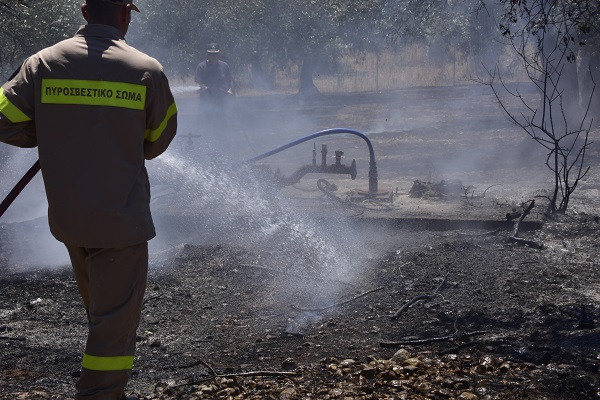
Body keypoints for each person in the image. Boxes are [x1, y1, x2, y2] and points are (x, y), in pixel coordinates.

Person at [0, 1, 177, 399]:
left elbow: (4, 120)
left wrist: (51, 134)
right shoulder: (145, 70)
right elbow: (159, 139)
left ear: (84, 12)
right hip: (120, 222)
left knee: (102, 315)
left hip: (69, 219)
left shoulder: (42, 64)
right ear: (125, 15)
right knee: (113, 324)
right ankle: (99, 394)